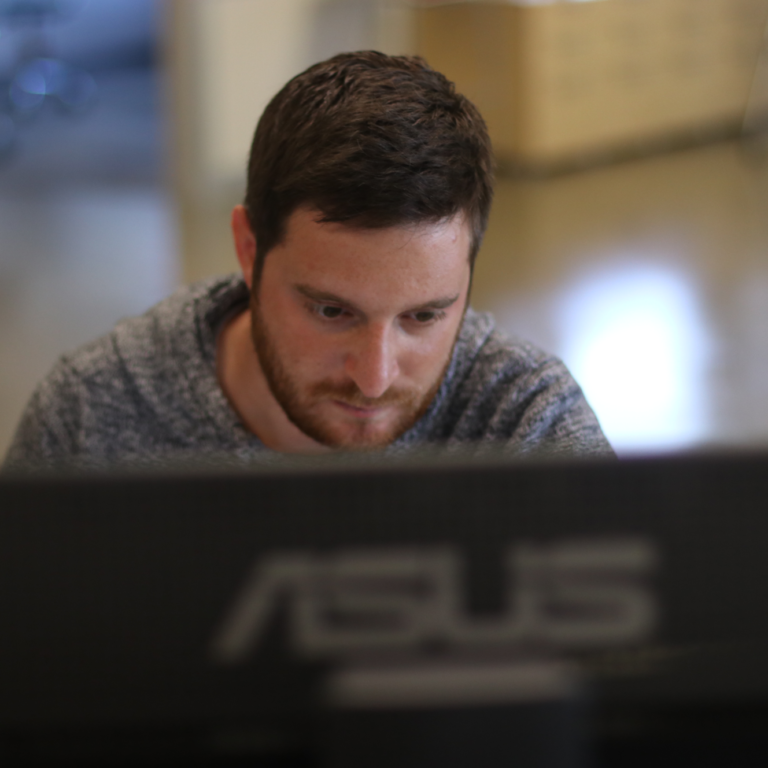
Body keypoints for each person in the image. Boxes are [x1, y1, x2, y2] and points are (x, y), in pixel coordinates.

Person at [4, 51, 612, 471]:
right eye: (330, 310)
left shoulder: (525, 426)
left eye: (423, 317)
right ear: (250, 250)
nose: (373, 378)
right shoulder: (90, 419)